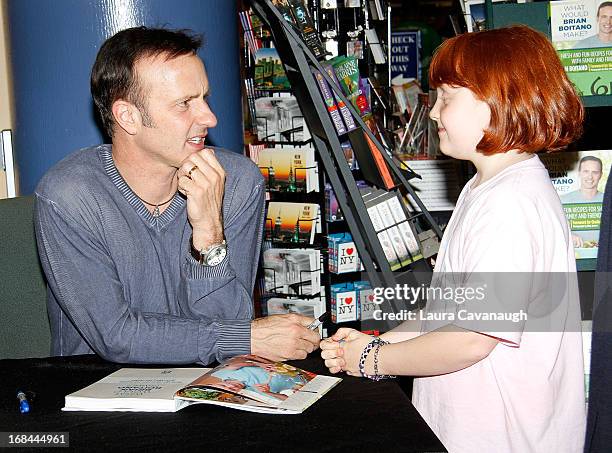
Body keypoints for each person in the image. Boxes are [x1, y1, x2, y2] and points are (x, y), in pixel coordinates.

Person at [322, 25, 586, 452]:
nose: (432, 111)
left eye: (447, 96)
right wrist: (378, 341)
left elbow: (469, 338)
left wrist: (373, 360)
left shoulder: (509, 206)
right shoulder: (487, 188)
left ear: (500, 100)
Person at [33, 27, 320, 365]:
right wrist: (244, 337)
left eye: (205, 98)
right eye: (185, 104)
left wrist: (210, 237)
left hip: (206, 388)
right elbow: (117, 337)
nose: (210, 117)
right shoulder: (70, 196)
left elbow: (227, 326)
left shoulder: (237, 182)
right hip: (97, 393)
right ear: (128, 116)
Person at [562, 156, 604, 248]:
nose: (590, 176)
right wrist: (568, 236)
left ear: (601, 174)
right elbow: (552, 230)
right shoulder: (562, 201)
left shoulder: (608, 201)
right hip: (574, 258)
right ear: (579, 173)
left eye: (595, 172)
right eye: (586, 171)